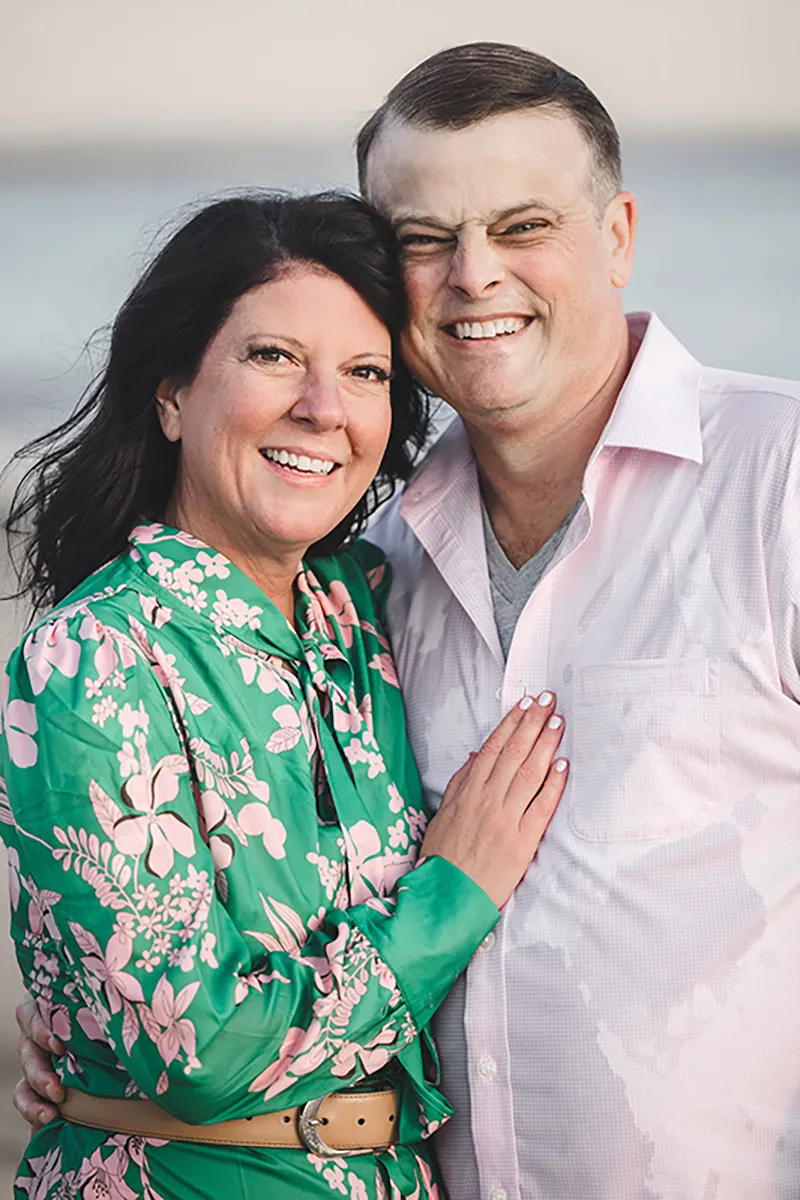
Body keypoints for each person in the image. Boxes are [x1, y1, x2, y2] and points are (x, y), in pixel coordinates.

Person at [18, 39, 800, 1200]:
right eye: (425, 242)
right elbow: (207, 989)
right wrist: (101, 1032)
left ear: (619, 235)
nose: (475, 274)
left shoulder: (773, 481)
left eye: (522, 224)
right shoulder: (377, 573)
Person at [0, 190, 570, 1200]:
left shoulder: (373, 611)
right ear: (171, 393)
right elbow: (201, 1049)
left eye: (364, 373)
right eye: (272, 358)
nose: (323, 408)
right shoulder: (92, 657)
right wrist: (455, 892)